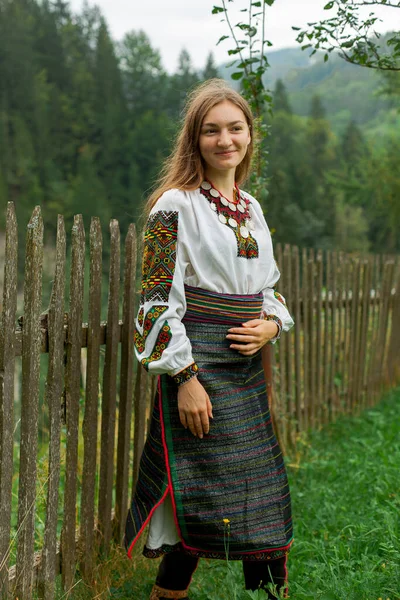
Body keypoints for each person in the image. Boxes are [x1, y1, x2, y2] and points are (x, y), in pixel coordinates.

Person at [125, 78, 294, 600]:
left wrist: (273, 323)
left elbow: (268, 289)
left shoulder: (251, 207)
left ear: (249, 135)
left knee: (262, 494)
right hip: (199, 367)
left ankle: (268, 595)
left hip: (246, 371)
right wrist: (184, 379)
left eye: (235, 128)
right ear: (194, 139)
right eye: (212, 130)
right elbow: (154, 301)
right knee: (194, 496)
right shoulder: (173, 206)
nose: (226, 140)